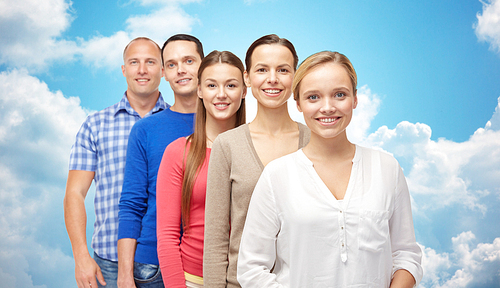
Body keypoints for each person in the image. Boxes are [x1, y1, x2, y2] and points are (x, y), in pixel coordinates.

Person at [237, 51, 423, 288]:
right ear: (298, 104)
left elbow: (407, 255)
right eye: (313, 97)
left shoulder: (387, 169)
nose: (327, 107)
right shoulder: (277, 176)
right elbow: (251, 269)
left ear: (355, 99)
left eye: (339, 95)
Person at [203, 34, 310, 288]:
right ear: (247, 78)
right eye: (262, 69)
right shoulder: (227, 145)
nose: (272, 79)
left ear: (295, 76)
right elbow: (216, 238)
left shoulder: (313, 141)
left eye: (283, 70)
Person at [64, 37, 168, 288]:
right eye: (134, 62)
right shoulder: (96, 124)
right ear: (124, 69)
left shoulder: (181, 125)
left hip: (164, 262)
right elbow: (75, 193)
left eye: (150, 62)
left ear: (163, 70)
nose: (142, 70)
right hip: (106, 264)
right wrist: (80, 258)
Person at [117, 34, 204, 288]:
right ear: (164, 72)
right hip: (152, 267)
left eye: (189, 60)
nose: (181, 70)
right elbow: (131, 204)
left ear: (204, 64)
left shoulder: (226, 124)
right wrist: (124, 275)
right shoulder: (145, 130)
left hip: (208, 264)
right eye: (172, 64)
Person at [157, 50, 247, 288]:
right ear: (199, 90)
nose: (221, 94)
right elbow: (166, 237)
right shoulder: (178, 152)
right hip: (192, 280)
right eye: (211, 85)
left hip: (249, 279)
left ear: (245, 90)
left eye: (231, 85)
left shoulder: (257, 151)